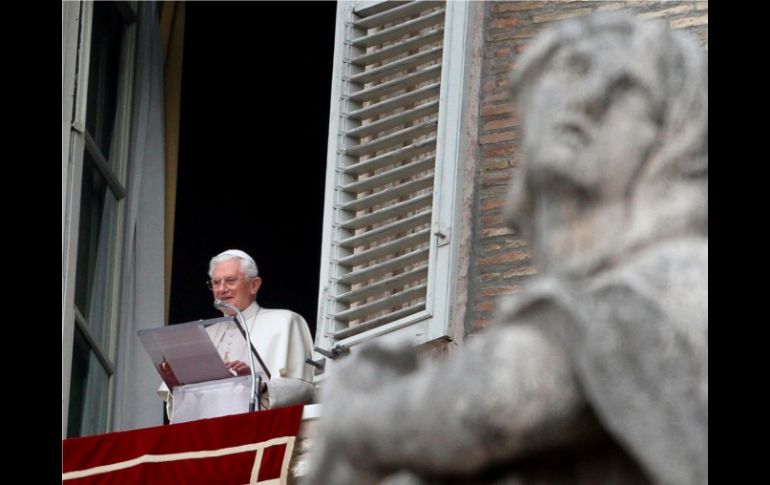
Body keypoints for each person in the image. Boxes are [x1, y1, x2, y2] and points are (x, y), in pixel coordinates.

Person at [308, 12, 707, 485]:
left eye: (627, 90)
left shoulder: (661, 282)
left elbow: (488, 405)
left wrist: (354, 411)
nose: (589, 99)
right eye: (570, 74)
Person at [158, 249, 315, 417]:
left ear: (254, 285)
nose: (221, 289)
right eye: (216, 283)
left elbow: (306, 390)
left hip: (261, 432)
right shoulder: (204, 336)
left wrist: (257, 384)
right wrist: (178, 386)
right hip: (209, 435)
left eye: (230, 281)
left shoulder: (286, 321)